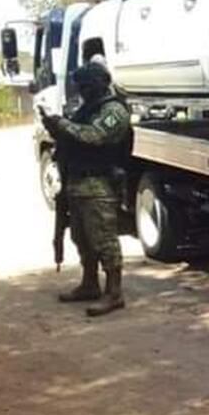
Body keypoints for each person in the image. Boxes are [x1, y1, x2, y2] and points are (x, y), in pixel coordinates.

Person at [40, 61, 131, 317]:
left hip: (99, 184)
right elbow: (75, 137)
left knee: (104, 239)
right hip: (78, 183)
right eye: (80, 86)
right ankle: (90, 283)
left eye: (87, 86)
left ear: (101, 83)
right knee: (82, 238)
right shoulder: (87, 108)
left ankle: (114, 292)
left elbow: (95, 136)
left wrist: (63, 125)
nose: (83, 91)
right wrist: (56, 128)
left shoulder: (114, 110)